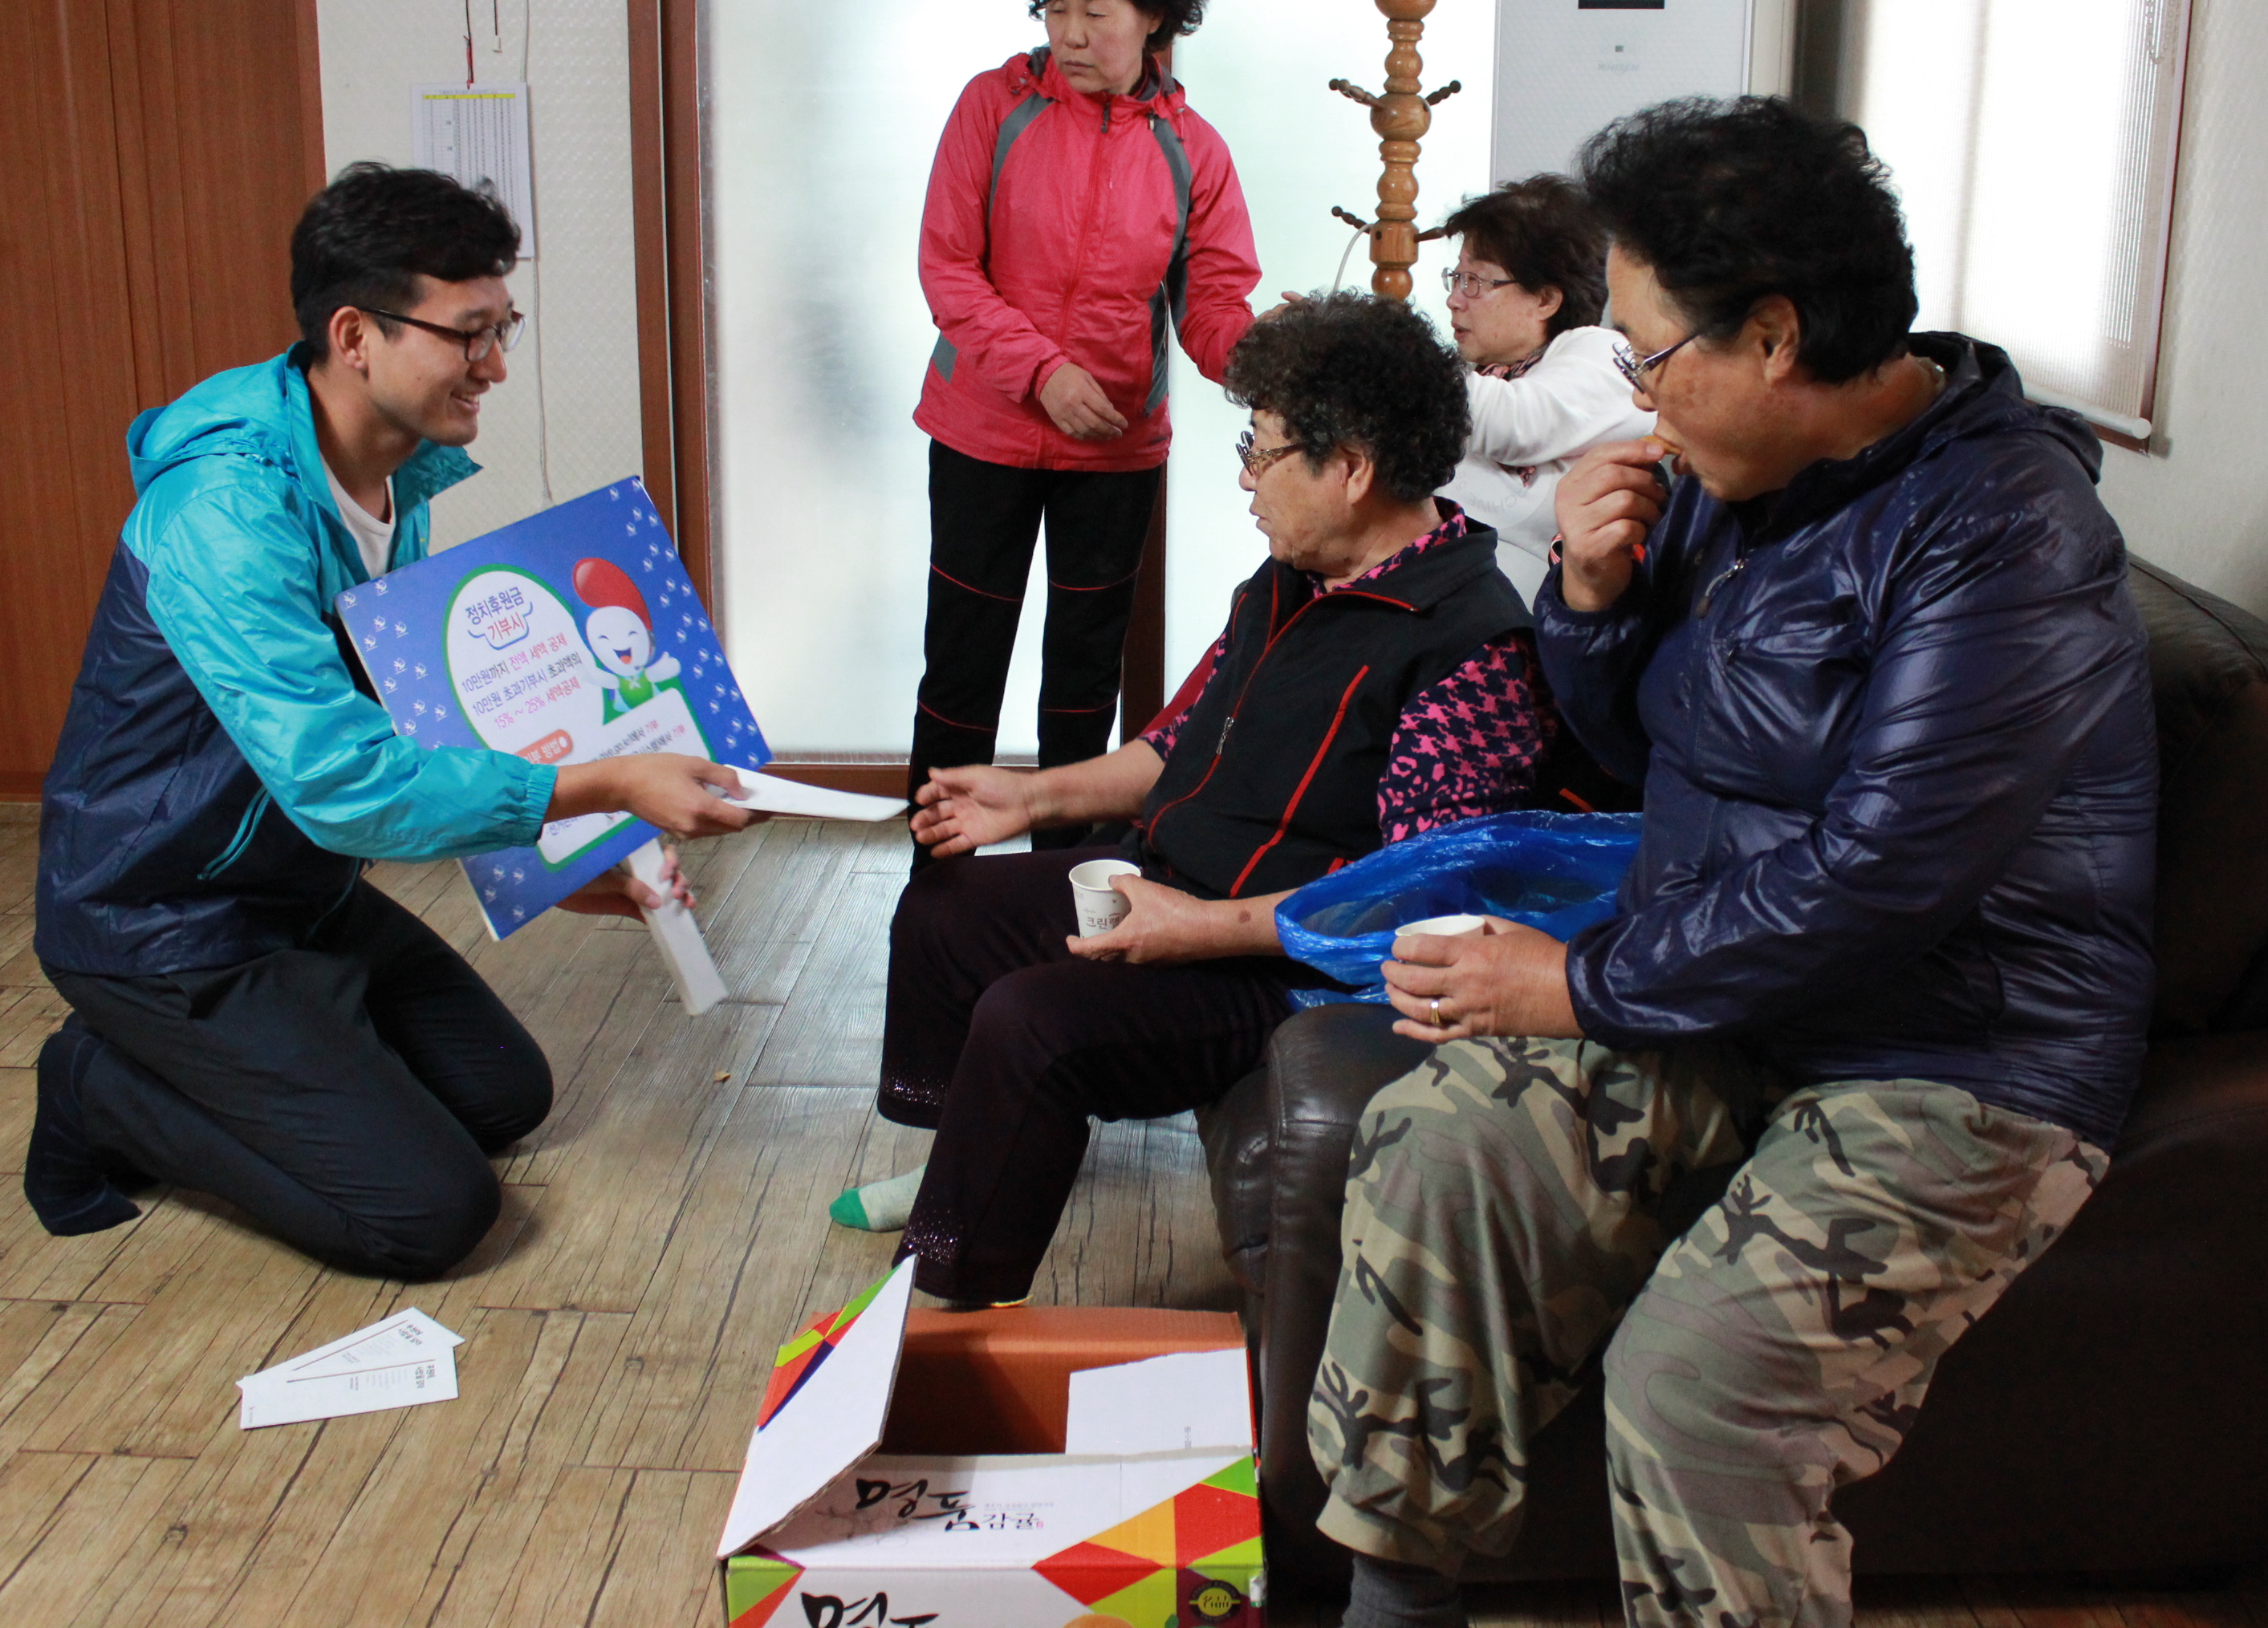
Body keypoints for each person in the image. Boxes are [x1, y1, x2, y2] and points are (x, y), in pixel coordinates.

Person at [1303, 99, 2159, 1628]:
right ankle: (1395, 1599)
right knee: (1448, 1135)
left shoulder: (2007, 527)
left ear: (1772, 334)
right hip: (1737, 999)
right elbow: (1649, 754)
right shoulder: (1726, 479)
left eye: (1645, 352)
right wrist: (1587, 591)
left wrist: (1577, 977)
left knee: (1700, 1377)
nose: (1630, 396)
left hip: (1958, 1051)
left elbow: (1883, 870)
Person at [22, 164, 756, 1281]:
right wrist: (601, 788)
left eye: (502, 326)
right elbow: (344, 781)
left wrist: (562, 853)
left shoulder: (391, 477)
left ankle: (276, 1054)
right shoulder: (226, 511)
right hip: (160, 918)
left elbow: (421, 726)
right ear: (356, 333)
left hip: (297, 892)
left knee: (503, 1097)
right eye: (469, 335)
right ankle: (100, 1085)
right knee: (426, 1216)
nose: (497, 365)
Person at [835, 294, 1556, 1305]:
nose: (1249, 485)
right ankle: (968, 1155)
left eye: (1261, 455)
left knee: (1031, 1021)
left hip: (1283, 965)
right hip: (1180, 884)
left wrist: (1202, 930)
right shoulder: (1290, 578)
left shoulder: (1468, 646)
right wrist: (1030, 799)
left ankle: (955, 1299)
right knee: (946, 908)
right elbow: (1178, 743)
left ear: (1349, 470)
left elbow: (1411, 901)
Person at [909, 0, 1260, 859]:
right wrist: (1041, 372)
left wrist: (1278, 366)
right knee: (961, 670)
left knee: (1083, 680)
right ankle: (935, 884)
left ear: (1154, 16)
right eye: (1056, 7)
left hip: (1115, 450)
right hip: (981, 431)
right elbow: (949, 268)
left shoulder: (1195, 151)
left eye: (1095, 9)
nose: (1069, 33)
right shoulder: (995, 105)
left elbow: (1216, 305)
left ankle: (1059, 884)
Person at [1430, 175, 1644, 599]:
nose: (1455, 299)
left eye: (1475, 281)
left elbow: (1515, 425)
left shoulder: (1605, 354)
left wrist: (1383, 359)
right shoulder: (1479, 377)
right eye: (1455, 278)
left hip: (1522, 628)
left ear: (1545, 299)